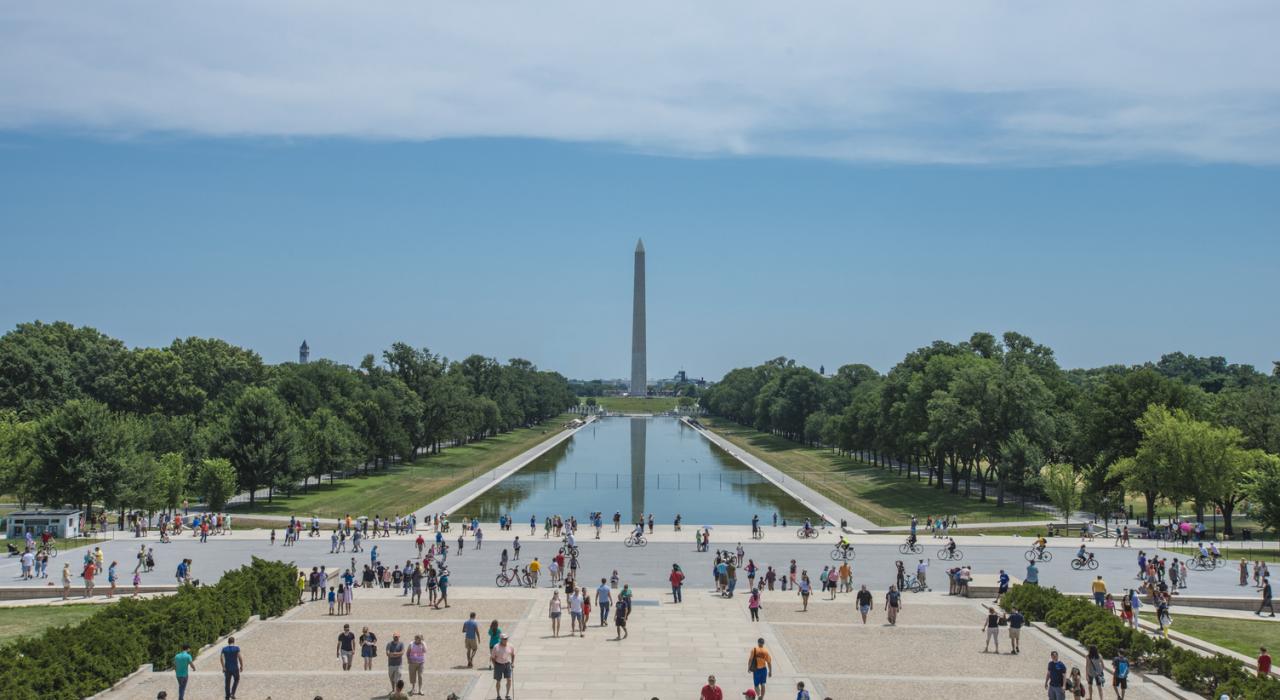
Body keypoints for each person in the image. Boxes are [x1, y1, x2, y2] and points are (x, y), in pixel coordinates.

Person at [490, 633, 516, 700]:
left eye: (506, 638)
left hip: (507, 664)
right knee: (498, 681)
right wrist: (495, 665)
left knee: (509, 680)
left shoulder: (510, 646)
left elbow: (513, 654)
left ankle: (507, 695)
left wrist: (512, 663)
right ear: (501, 639)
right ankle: (498, 695)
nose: (506, 640)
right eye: (504, 639)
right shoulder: (496, 647)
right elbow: (492, 657)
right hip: (498, 665)